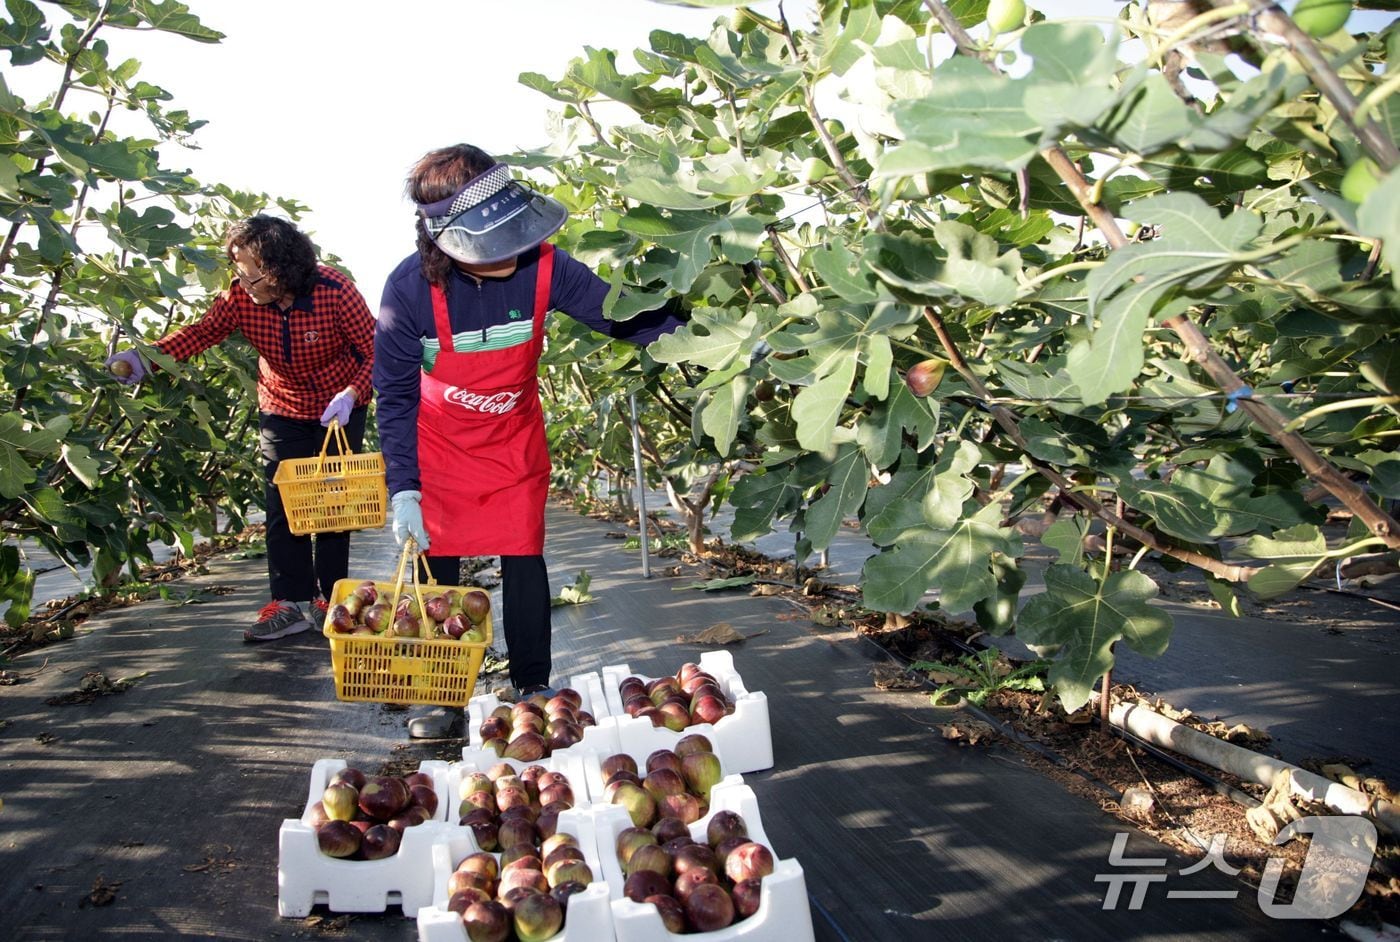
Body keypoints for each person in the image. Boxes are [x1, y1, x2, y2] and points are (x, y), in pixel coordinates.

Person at [374, 143, 684, 738]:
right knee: (440, 572)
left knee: (523, 557)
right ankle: (441, 694)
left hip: (511, 440)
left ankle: (533, 685)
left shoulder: (546, 267)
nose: (512, 251)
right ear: (447, 241)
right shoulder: (408, 290)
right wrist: (404, 487)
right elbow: (394, 394)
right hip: (439, 449)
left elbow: (622, 317)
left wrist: (706, 337)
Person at [106, 215, 376, 643]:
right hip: (282, 405)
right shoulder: (238, 296)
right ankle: (288, 603)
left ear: (281, 269)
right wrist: (146, 357)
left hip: (338, 407)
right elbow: (203, 332)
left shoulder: (335, 291)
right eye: (238, 270)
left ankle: (330, 598)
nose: (243, 282)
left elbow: (375, 349)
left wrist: (352, 393)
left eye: (252, 274)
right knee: (283, 501)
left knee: (331, 504)